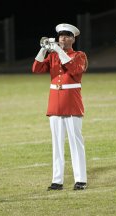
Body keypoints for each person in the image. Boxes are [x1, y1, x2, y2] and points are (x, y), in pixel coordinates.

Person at [32, 23, 88, 191]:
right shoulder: (54, 56)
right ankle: (57, 180)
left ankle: (81, 179)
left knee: (75, 142)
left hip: (72, 103)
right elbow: (36, 69)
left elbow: (73, 70)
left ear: (73, 39)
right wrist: (43, 49)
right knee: (56, 143)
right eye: (60, 36)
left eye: (66, 36)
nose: (62, 39)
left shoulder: (79, 55)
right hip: (55, 103)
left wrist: (58, 51)